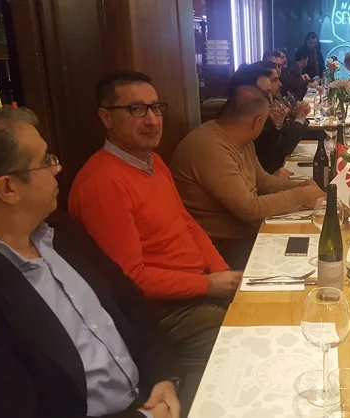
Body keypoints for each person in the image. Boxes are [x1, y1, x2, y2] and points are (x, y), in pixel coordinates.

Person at [0, 106, 181, 418]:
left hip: (155, 395)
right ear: (8, 188)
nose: (57, 167)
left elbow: (128, 300)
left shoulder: (59, 229)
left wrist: (164, 376)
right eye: (45, 161)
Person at [69, 71, 241, 365]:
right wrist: (209, 285)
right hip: (162, 310)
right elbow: (130, 280)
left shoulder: (153, 161)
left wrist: (223, 274)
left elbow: (186, 222)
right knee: (248, 342)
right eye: (136, 109)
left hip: (197, 286)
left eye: (156, 108)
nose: (152, 120)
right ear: (106, 117)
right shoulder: (102, 183)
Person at [170, 86, 325, 270]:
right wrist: (301, 195)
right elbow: (249, 209)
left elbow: (263, 181)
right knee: (311, 261)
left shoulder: (240, 138)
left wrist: (300, 186)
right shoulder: (210, 147)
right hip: (221, 249)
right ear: (257, 122)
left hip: (246, 234)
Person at [249, 61, 311, 175]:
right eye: (274, 80)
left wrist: (292, 120)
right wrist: (299, 118)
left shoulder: (275, 103)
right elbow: (283, 148)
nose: (280, 84)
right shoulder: (255, 115)